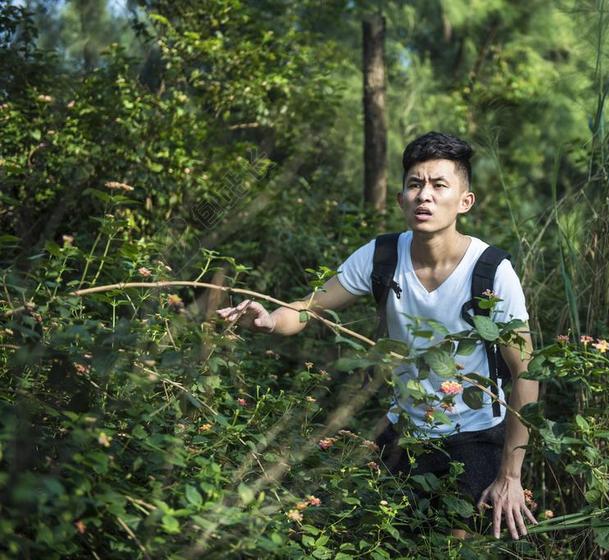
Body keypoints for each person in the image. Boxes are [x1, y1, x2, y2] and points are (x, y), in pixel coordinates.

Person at [218, 132, 539, 540]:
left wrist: (511, 475)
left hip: (474, 434)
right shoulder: (382, 256)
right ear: (401, 198)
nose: (425, 195)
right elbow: (310, 307)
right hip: (403, 430)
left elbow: (526, 372)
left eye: (439, 185)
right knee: (381, 538)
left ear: (465, 201)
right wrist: (269, 320)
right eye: (414, 184)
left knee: (456, 544)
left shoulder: (491, 271)